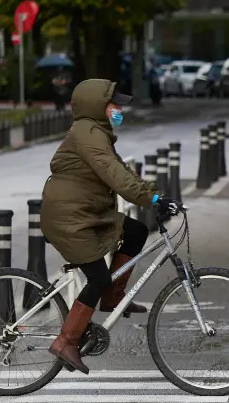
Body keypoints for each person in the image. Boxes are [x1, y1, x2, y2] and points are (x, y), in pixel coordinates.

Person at [40, 78, 178, 374]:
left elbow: (123, 171)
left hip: (88, 213)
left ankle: (114, 299)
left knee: (137, 231)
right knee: (98, 278)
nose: (118, 110)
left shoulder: (97, 132)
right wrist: (151, 198)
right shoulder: (87, 132)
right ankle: (66, 341)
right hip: (71, 219)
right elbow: (114, 174)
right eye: (113, 104)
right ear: (97, 106)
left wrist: (156, 194)